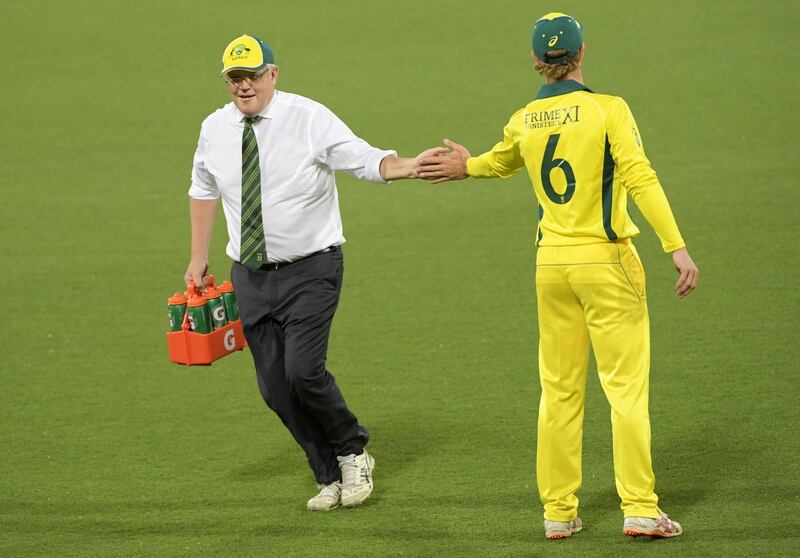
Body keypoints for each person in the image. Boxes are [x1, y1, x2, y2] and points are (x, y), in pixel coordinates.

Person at [417, 13, 698, 539]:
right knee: (626, 393)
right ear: (581, 53)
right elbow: (639, 176)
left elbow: (501, 161)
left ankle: (558, 513)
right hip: (607, 260)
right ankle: (638, 506)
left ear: (535, 61)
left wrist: (467, 165)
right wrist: (675, 247)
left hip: (552, 267)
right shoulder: (607, 109)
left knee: (560, 393)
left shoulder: (525, 119)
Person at [184, 34, 444, 511]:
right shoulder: (214, 128)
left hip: (312, 269)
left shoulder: (308, 118)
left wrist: (405, 167)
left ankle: (352, 449)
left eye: (253, 75)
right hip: (250, 275)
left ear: (274, 74)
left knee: (303, 371)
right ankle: (325, 472)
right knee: (274, 388)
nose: (244, 86)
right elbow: (203, 187)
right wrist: (198, 256)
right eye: (235, 78)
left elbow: (362, 158)